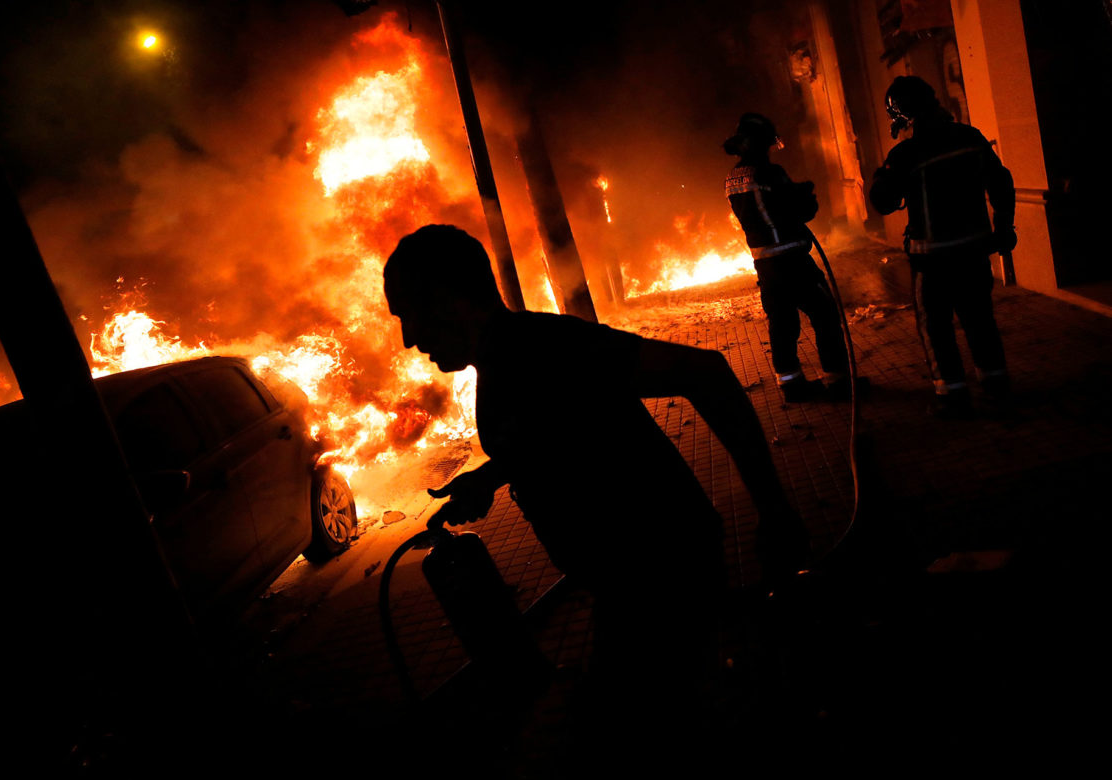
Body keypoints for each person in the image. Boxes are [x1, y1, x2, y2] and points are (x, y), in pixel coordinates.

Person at [384, 224, 808, 769]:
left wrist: (772, 509)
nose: (408, 338)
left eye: (408, 315)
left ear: (449, 299)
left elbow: (707, 373)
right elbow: (558, 426)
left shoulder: (546, 346)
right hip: (626, 582)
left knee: (633, 739)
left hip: (659, 575)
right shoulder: (503, 362)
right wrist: (490, 477)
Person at [869, 75, 1015, 418]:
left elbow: (883, 202)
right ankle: (996, 384)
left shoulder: (906, 153)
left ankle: (952, 395)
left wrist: (883, 176)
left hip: (931, 259)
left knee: (936, 327)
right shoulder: (970, 137)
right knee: (980, 319)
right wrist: (1004, 226)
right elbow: (1001, 182)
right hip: (974, 253)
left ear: (902, 114)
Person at [724, 112, 853, 402]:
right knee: (825, 314)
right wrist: (806, 194)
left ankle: (791, 385)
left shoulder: (732, 179)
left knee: (782, 323)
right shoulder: (771, 173)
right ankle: (838, 381)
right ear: (760, 144)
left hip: (765, 264)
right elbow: (800, 211)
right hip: (792, 260)